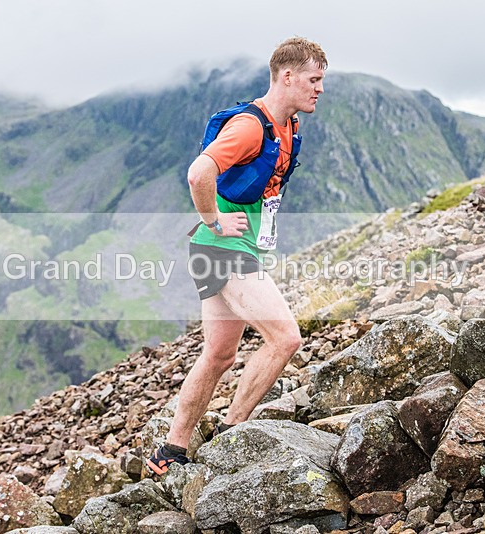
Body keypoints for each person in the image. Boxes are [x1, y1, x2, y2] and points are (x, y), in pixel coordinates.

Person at [146, 37, 327, 476]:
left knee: (219, 355)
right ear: (287, 76)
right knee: (285, 338)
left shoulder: (289, 127)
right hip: (221, 247)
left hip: (229, 248)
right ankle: (233, 432)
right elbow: (198, 173)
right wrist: (213, 221)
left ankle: (171, 451)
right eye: (314, 79)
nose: (319, 89)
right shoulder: (250, 126)